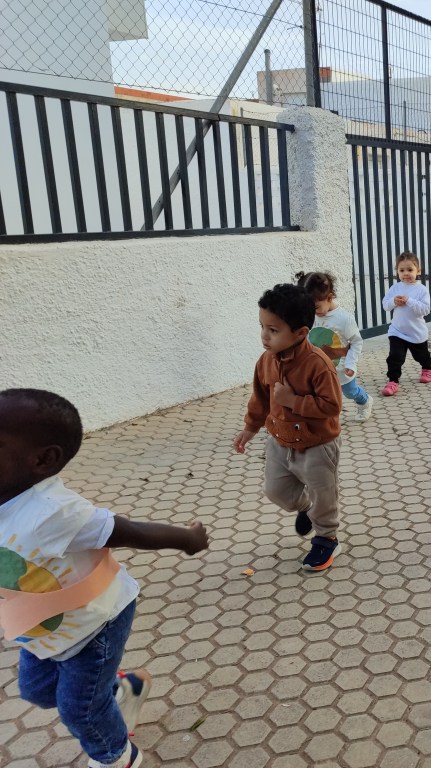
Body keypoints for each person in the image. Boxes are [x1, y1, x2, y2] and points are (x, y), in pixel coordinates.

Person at [1, 388, 209, 768]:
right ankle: (124, 689)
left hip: (94, 623)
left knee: (79, 709)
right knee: (38, 691)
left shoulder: (52, 513)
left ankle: (117, 756)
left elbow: (129, 531)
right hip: (40, 630)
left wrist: (188, 539)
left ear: (43, 459)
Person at [233, 283, 343, 571]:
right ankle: (305, 508)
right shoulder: (265, 362)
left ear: (300, 333)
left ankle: (326, 538)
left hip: (318, 444)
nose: (264, 335)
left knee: (323, 495)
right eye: (262, 326)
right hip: (280, 441)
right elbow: (260, 398)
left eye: (273, 330)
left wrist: (293, 401)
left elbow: (332, 406)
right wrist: (250, 428)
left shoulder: (318, 364)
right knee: (275, 491)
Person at [296, 271, 372, 422]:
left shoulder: (344, 319)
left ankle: (365, 401)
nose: (311, 312)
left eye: (315, 307)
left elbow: (356, 342)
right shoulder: (310, 316)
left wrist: (351, 363)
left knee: (350, 392)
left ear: (329, 298)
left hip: (341, 369)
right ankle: (326, 420)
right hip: (318, 369)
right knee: (322, 395)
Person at [380, 251, 431, 395]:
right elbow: (385, 305)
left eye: (410, 270)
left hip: (416, 333)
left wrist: (409, 300)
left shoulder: (422, 290)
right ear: (397, 271)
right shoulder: (395, 288)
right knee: (395, 356)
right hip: (397, 331)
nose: (406, 274)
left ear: (418, 271)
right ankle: (393, 381)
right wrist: (393, 301)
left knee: (421, 356)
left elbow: (425, 310)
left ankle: (427, 368)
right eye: (402, 270)